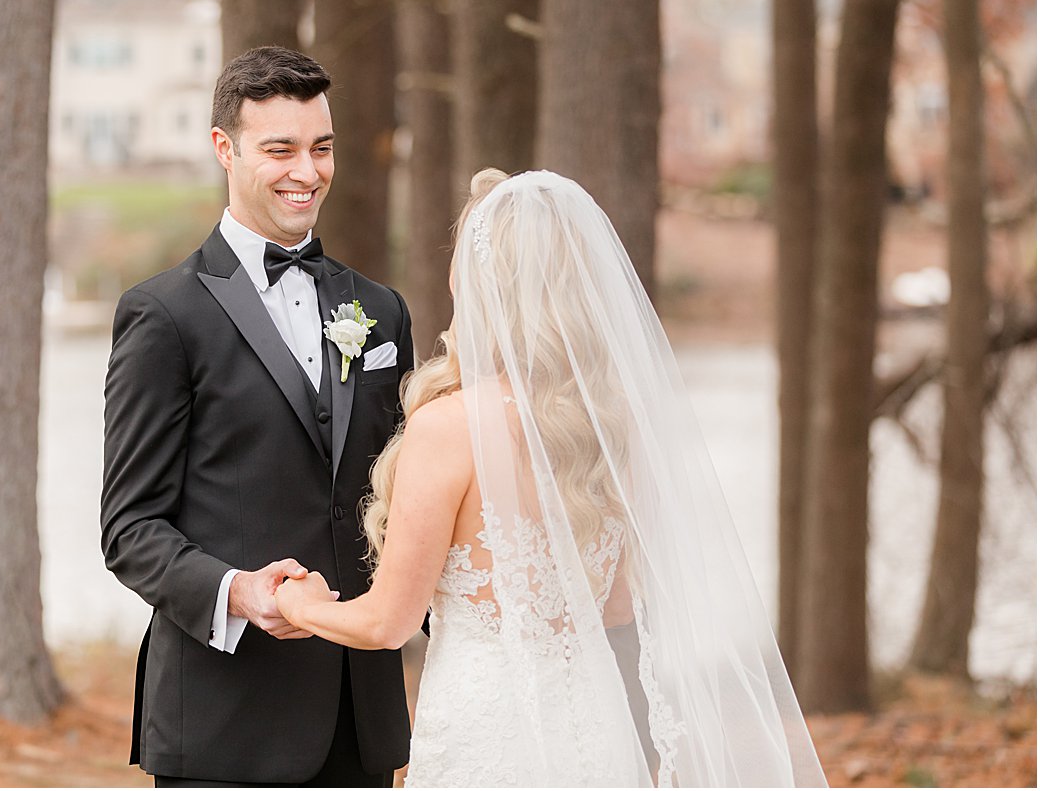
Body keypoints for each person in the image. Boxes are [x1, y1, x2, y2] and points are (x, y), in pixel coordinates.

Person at [277, 169, 827, 787]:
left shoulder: (450, 427)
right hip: (595, 730)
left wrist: (296, 601)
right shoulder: (612, 424)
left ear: (485, 283)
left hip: (484, 732)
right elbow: (617, 606)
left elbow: (387, 623)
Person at [100, 46, 413, 786]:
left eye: (321, 148)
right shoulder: (163, 315)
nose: (307, 172)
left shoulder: (381, 309)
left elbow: (398, 493)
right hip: (225, 719)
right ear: (224, 149)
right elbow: (129, 527)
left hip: (358, 715)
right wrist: (239, 590)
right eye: (280, 150)